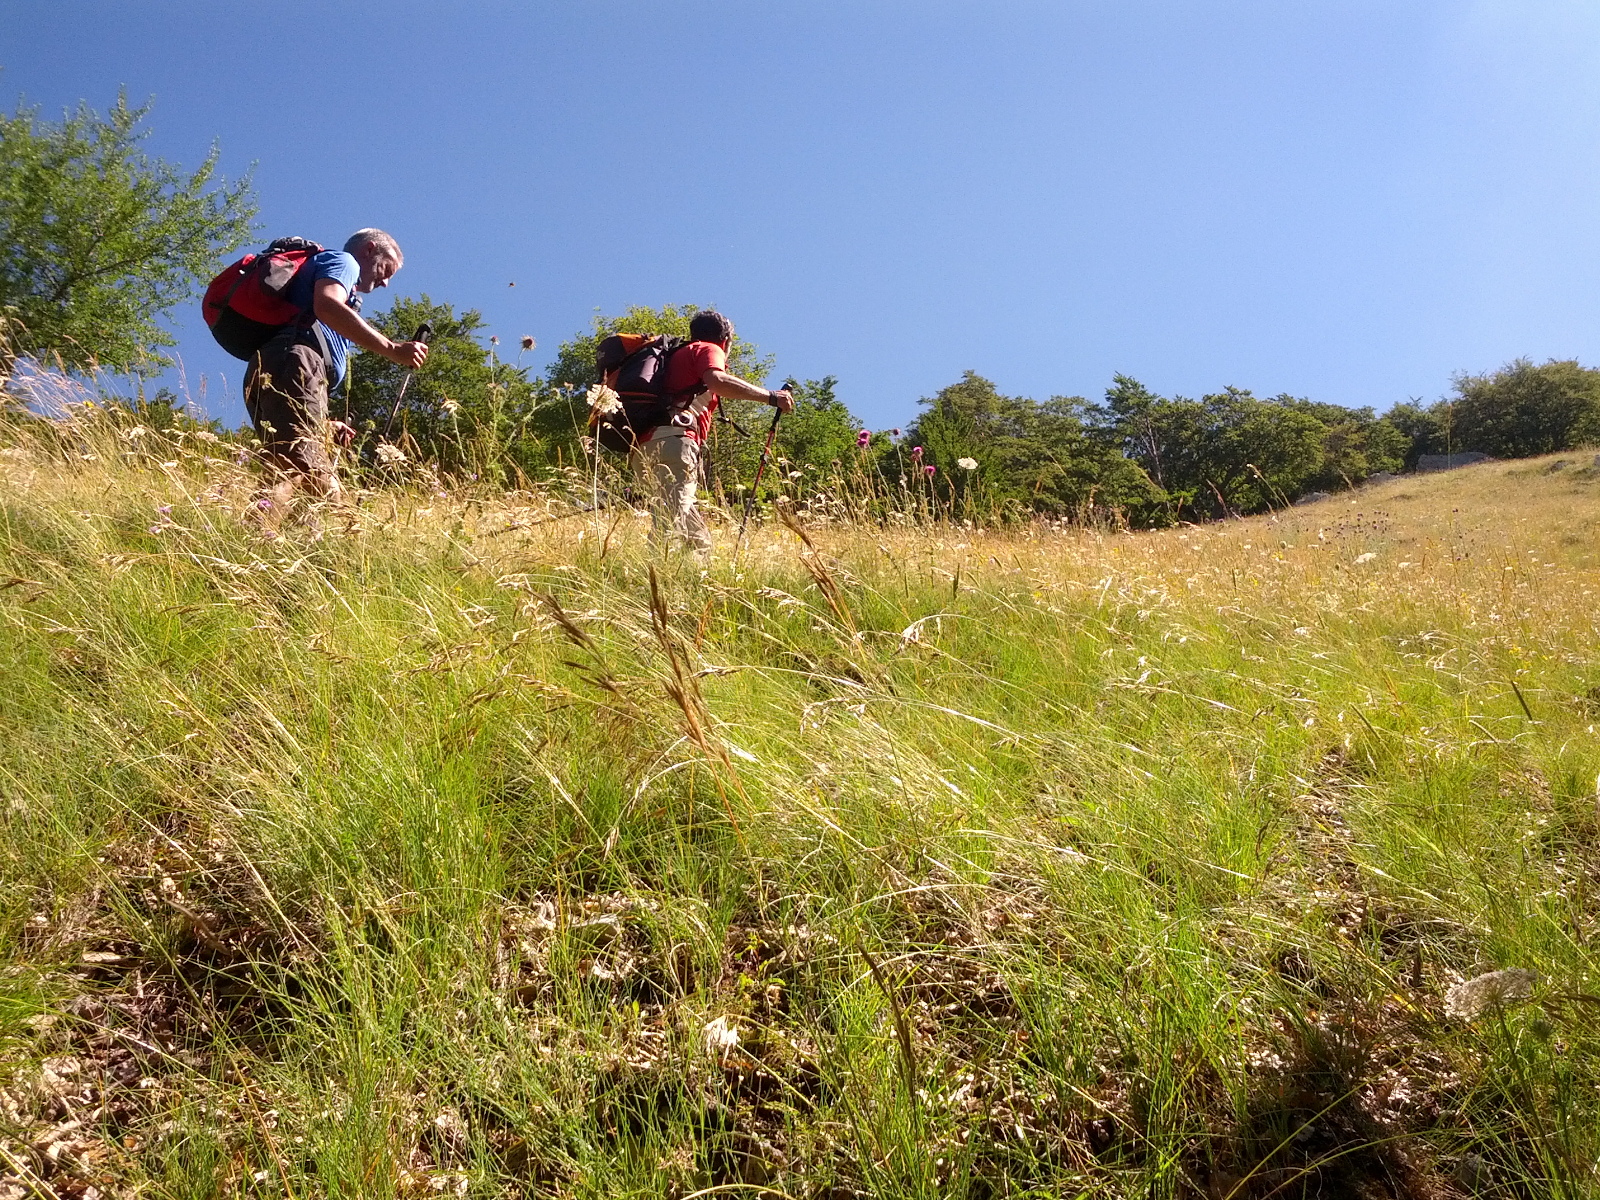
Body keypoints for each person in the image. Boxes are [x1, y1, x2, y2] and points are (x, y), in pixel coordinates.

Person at [244, 228, 429, 507]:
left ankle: (295, 536)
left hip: (285, 367)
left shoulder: (333, 278)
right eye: (386, 269)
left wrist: (323, 423)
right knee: (294, 466)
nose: (386, 282)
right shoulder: (345, 262)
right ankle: (256, 531)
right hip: (297, 363)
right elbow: (327, 305)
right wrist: (392, 349)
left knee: (323, 487)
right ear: (369, 249)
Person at [630, 310, 792, 557]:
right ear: (725, 340)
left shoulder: (675, 356)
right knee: (670, 524)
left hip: (645, 447)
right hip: (675, 442)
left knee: (699, 541)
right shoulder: (707, 348)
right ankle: (648, 577)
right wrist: (771, 397)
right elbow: (717, 381)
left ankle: (690, 580)